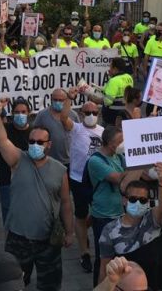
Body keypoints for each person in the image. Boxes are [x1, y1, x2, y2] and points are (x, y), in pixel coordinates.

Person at [0, 101, 74, 291]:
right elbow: (2, 140)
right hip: (18, 239)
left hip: (48, 240)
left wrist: (70, 231)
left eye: (40, 142)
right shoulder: (18, 159)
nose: (35, 145)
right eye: (32, 141)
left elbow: (66, 203)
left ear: (48, 145)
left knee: (49, 285)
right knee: (13, 284)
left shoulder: (59, 170)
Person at [97, 173, 162, 289]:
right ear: (124, 200)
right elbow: (105, 268)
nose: (137, 203)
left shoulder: (153, 220)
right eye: (132, 199)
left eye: (142, 200)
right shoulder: (110, 230)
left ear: (147, 203)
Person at [63, 101, 104, 273]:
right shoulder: (76, 129)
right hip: (78, 179)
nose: (91, 115)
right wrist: (68, 100)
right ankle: (84, 252)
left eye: (94, 112)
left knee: (97, 214)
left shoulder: (103, 132)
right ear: (80, 113)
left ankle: (82, 230)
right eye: (87, 112)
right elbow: (63, 116)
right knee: (80, 214)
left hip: (97, 182)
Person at [88, 126, 127, 287]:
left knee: (119, 257)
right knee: (103, 257)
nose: (122, 144)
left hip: (120, 213)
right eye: (120, 141)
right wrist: (136, 164)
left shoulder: (119, 157)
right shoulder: (95, 161)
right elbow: (117, 178)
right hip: (103, 215)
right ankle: (99, 287)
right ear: (109, 143)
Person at [0, 98, 31, 226]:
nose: (20, 115)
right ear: (12, 113)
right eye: (17, 112)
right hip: (7, 181)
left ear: (29, 113)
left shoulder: (35, 133)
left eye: (23, 112)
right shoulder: (4, 129)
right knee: (9, 218)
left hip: (29, 183)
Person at [32, 89, 80, 166]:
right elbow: (34, 134)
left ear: (66, 100)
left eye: (61, 100)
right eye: (55, 99)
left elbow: (78, 136)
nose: (57, 102)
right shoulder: (42, 115)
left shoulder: (73, 115)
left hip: (69, 161)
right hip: (49, 160)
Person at [84, 58, 134, 126]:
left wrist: (92, 97)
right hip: (125, 113)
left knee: (107, 135)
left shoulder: (114, 81)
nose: (109, 69)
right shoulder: (128, 77)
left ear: (115, 68)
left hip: (112, 117)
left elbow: (107, 101)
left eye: (110, 67)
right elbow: (115, 90)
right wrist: (97, 87)